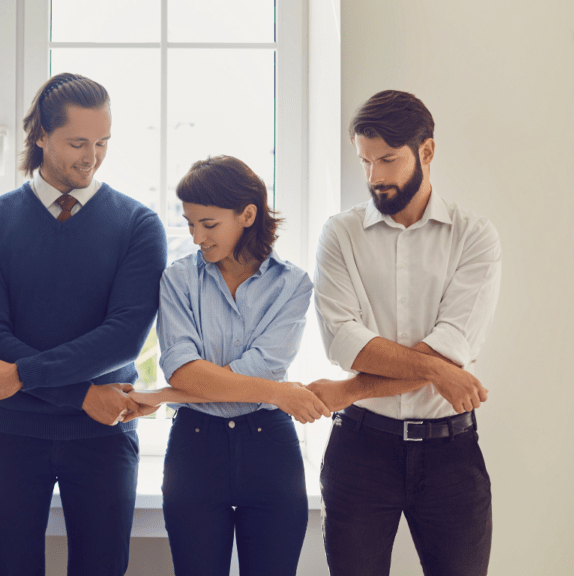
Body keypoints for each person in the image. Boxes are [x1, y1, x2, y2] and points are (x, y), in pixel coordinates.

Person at [0, 72, 168, 576]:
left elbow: (124, 339)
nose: (91, 156)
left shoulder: (139, 225)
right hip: (14, 434)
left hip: (103, 437)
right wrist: (80, 396)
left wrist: (26, 376)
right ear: (40, 136)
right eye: (78, 142)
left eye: (102, 143)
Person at [310, 90, 500, 575]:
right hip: (360, 451)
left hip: (450, 456)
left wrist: (349, 391)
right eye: (364, 161)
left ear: (427, 151)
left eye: (387, 160)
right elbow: (344, 342)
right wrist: (438, 372)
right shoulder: (340, 234)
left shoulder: (474, 236)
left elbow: (452, 346)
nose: (374, 176)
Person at [129, 155, 327, 575]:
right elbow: (184, 370)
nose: (197, 236)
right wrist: (279, 393)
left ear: (248, 215)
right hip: (195, 451)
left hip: (270, 451)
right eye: (190, 224)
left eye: (209, 224)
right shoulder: (177, 280)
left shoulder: (293, 285)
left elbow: (259, 370)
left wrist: (166, 396)